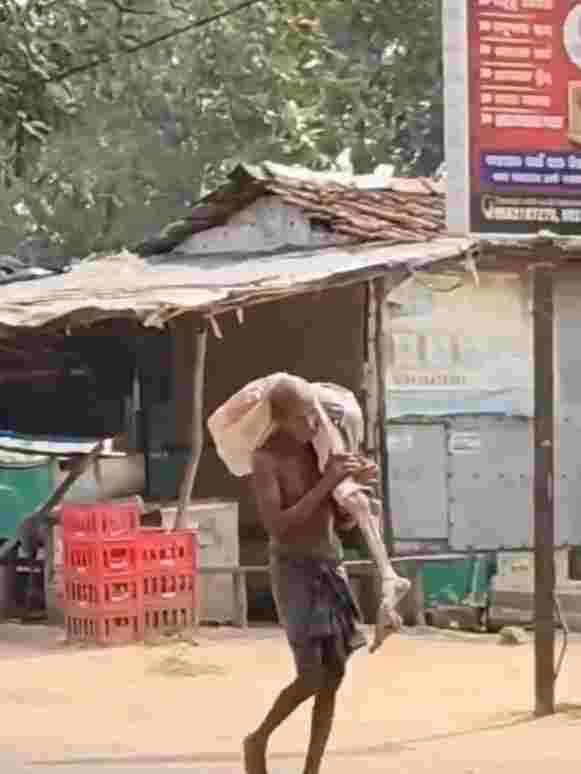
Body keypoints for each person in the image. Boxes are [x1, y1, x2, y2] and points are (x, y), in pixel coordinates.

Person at [242, 375, 399, 774]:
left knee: (335, 675)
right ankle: (258, 739)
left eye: (315, 415)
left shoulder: (319, 450)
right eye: (303, 417)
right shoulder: (265, 459)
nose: (313, 424)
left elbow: (339, 521)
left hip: (330, 564)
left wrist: (354, 495)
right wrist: (327, 481)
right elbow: (278, 526)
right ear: (280, 419)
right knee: (311, 676)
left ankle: (311, 769)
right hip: (294, 569)